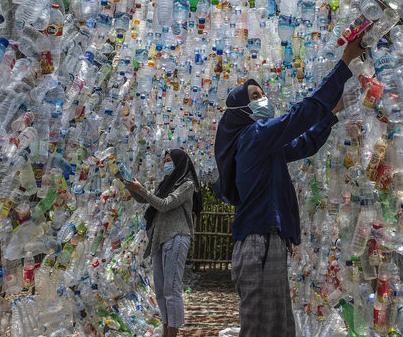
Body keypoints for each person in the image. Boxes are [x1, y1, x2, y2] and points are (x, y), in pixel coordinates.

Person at [214, 35, 364, 336]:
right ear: (241, 109)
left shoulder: (262, 146)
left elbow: (303, 143)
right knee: (262, 330)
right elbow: (300, 115)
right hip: (260, 243)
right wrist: (345, 63)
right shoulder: (253, 136)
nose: (263, 101)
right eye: (255, 97)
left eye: (263, 95)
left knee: (280, 328)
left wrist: (331, 114)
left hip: (268, 244)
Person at [123, 149, 202, 337]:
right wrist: (125, 180)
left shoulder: (187, 184)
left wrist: (141, 188)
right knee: (159, 288)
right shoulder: (166, 184)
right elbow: (144, 199)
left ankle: (173, 331)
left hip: (176, 236)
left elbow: (164, 204)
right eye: (164, 160)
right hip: (159, 239)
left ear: (179, 163)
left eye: (170, 161)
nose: (166, 164)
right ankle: (167, 327)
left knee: (171, 287)